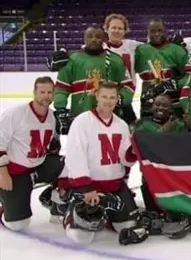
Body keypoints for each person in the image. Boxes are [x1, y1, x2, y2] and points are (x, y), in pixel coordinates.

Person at [61, 81, 138, 245]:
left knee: (128, 225)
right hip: (89, 187)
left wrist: (135, 151)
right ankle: (69, 214)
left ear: (117, 99)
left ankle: (108, 214)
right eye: (104, 96)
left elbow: (125, 160)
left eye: (112, 97)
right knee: (81, 237)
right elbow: (75, 156)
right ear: (96, 96)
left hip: (114, 187)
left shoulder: (122, 125)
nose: (108, 101)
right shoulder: (82, 122)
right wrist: (86, 189)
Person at [0, 77, 65, 231]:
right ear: (34, 93)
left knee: (70, 166)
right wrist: (2, 172)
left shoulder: (51, 116)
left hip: (39, 165)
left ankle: (55, 202)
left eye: (50, 92)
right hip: (15, 171)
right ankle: (5, 205)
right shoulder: (15, 114)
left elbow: (51, 146)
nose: (46, 96)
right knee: (17, 225)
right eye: (42, 92)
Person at [53, 27, 134, 135]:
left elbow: (128, 86)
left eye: (98, 37)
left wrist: (121, 98)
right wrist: (60, 109)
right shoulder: (72, 60)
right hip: (80, 117)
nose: (94, 39)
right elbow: (61, 88)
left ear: (104, 39)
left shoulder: (116, 60)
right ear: (84, 38)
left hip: (110, 118)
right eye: (90, 36)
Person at [135, 18, 191, 117]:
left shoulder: (178, 50)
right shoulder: (140, 51)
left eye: (159, 30)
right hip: (148, 101)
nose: (156, 34)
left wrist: (176, 83)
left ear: (165, 31)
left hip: (173, 101)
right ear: (148, 33)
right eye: (152, 31)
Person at [103, 14, 144, 124]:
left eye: (120, 28)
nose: (117, 31)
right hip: (105, 97)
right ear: (106, 29)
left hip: (126, 96)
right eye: (113, 27)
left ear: (125, 31)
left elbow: (153, 46)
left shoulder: (133, 45)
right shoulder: (100, 48)